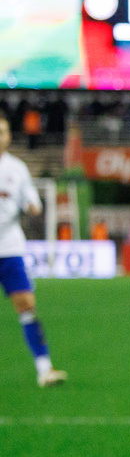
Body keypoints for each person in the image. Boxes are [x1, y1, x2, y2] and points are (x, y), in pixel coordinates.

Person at [0, 119, 66, 387]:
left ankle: (44, 369)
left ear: (9, 135)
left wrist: (32, 205)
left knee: (26, 304)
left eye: (2, 131)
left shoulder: (17, 168)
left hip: (10, 247)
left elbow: (32, 199)